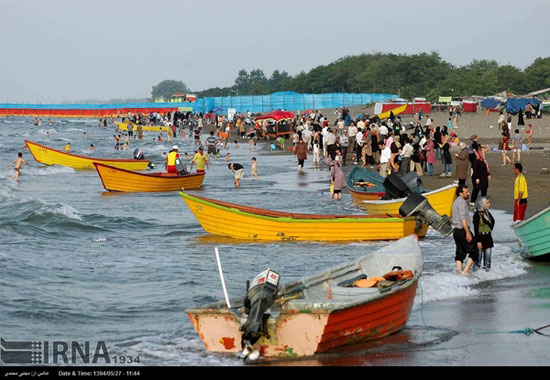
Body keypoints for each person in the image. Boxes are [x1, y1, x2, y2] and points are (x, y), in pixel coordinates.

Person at [452, 184, 479, 275]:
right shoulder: (462, 202)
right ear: (460, 193)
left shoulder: (455, 202)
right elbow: (462, 218)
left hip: (456, 231)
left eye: (468, 192)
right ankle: (466, 270)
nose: (468, 193)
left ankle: (459, 272)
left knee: (460, 252)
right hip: (462, 229)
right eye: (466, 192)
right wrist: (468, 232)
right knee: (474, 250)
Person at [473, 197, 495, 271]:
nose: (489, 204)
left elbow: (493, 221)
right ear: (482, 204)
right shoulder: (476, 215)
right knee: (478, 260)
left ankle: (487, 276)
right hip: (480, 239)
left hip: (488, 238)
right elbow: (476, 230)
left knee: (488, 260)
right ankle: (476, 276)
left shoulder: (487, 213)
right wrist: (478, 242)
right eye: (487, 203)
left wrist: (489, 229)